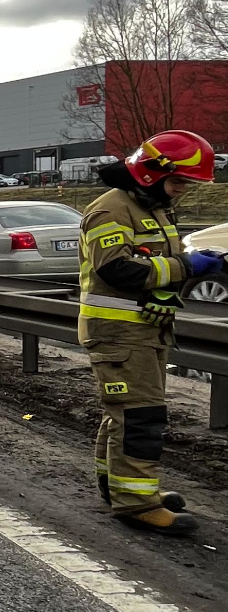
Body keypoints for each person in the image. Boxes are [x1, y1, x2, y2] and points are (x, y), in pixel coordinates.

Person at [79, 130, 225, 535]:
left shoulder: (153, 206)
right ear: (150, 172)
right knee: (140, 417)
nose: (181, 190)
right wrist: (187, 267)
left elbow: (152, 262)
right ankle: (136, 503)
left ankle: (119, 488)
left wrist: (179, 273)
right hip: (119, 333)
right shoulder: (111, 209)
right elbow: (117, 269)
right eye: (178, 181)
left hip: (143, 330)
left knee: (123, 413)